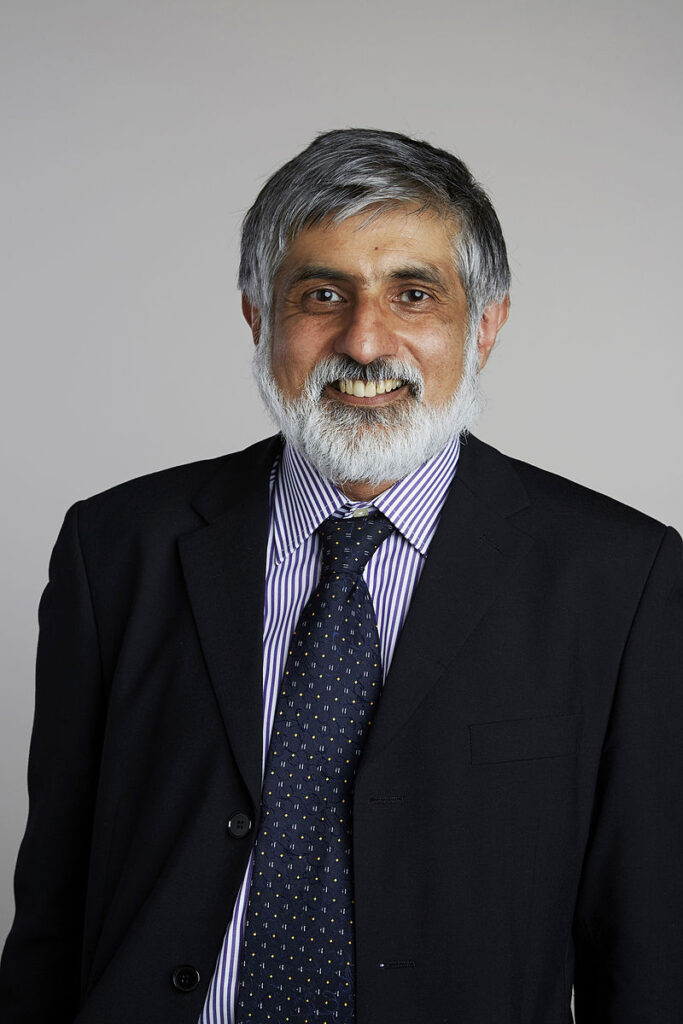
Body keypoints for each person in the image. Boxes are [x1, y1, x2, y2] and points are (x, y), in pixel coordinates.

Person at [1, 128, 681, 1024]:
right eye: (321, 294)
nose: (364, 341)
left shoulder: (621, 578)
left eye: (413, 293)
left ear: (486, 323)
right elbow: (53, 899)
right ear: (257, 317)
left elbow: (645, 950)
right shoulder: (115, 547)